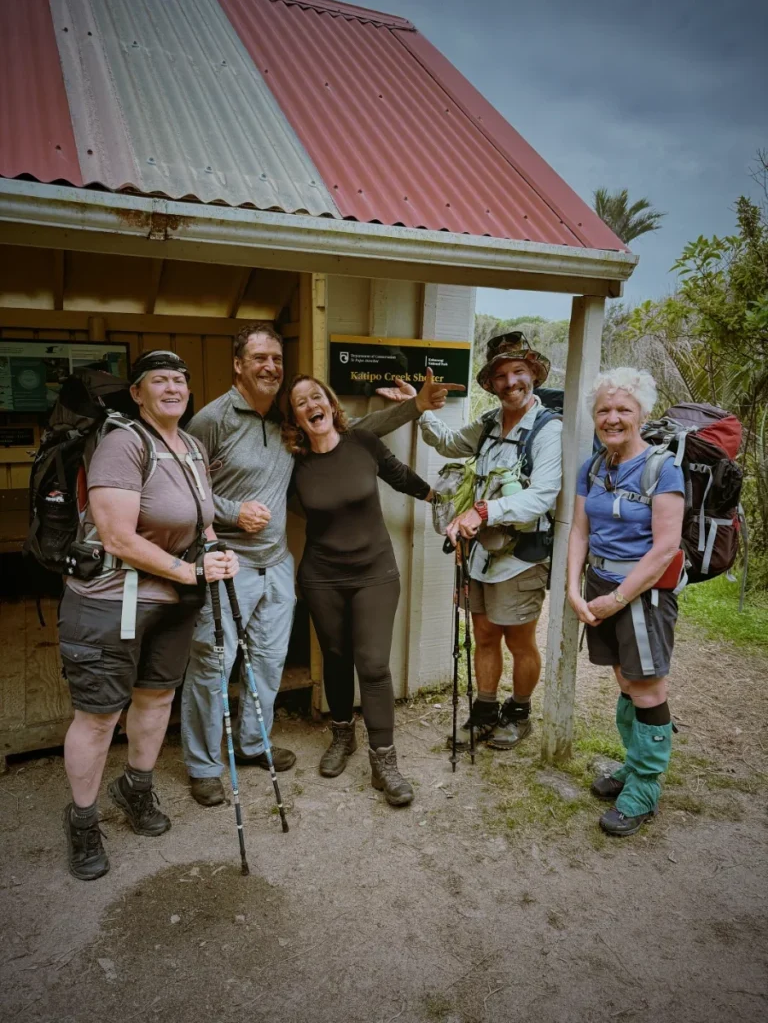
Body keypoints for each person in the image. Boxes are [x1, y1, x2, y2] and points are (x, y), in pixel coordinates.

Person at [181, 323, 463, 807]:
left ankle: (356, 757)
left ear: (330, 404)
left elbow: (380, 450)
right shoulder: (239, 432)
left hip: (327, 568)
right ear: (238, 365)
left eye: (277, 359)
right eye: (259, 358)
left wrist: (418, 415)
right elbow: (190, 488)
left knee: (328, 664)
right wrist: (229, 514)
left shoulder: (330, 438)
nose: (271, 367)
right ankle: (229, 760)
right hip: (271, 569)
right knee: (235, 662)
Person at [60, 350, 238, 881]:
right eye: (159, 380)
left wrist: (214, 551)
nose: (172, 388)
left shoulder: (191, 447)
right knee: (98, 716)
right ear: (137, 393)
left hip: (172, 602)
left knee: (157, 697)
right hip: (109, 602)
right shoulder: (122, 444)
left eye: (180, 380)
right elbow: (117, 537)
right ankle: (82, 821)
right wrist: (190, 573)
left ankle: (135, 787)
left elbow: (201, 519)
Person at [283, 375, 434, 805]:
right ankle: (342, 735)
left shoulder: (363, 442)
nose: (310, 404)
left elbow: (400, 476)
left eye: (316, 396)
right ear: (295, 418)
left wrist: (443, 501)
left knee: (373, 665)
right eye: (300, 402)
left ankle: (384, 761)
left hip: (375, 573)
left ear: (330, 404)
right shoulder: (293, 465)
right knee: (335, 657)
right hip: (322, 578)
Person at [418, 332, 563, 749]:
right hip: (480, 554)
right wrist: (420, 408)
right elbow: (449, 443)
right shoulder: (488, 424)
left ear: (534, 374)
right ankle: (484, 711)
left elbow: (543, 495)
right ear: (491, 383)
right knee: (483, 634)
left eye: (518, 371)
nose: (510, 382)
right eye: (500, 375)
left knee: (519, 640)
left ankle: (518, 713)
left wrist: (482, 512)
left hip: (522, 557)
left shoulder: (548, 430)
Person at [567, 368, 684, 837]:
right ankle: (634, 765)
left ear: (643, 414)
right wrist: (574, 588)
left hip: (642, 595)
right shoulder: (593, 467)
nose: (612, 418)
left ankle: (645, 787)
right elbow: (580, 531)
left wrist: (617, 598)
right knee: (624, 679)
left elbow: (665, 548)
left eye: (623, 409)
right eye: (603, 410)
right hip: (599, 585)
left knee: (648, 687)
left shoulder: (662, 468)